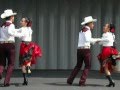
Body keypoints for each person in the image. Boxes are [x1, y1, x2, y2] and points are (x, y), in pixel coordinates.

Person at [67, 16, 101, 86]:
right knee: (88, 65)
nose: (93, 25)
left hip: (79, 49)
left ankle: (70, 80)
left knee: (78, 65)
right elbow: (88, 40)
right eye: (92, 23)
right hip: (86, 50)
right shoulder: (88, 30)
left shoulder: (81, 30)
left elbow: (86, 40)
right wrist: (97, 40)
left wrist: (94, 41)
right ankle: (82, 82)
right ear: (89, 23)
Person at [16, 17, 42, 85]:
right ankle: (28, 67)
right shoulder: (30, 29)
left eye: (22, 21)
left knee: (22, 63)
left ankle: (25, 80)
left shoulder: (22, 29)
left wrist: (14, 34)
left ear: (26, 23)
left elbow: (18, 33)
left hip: (24, 45)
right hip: (30, 45)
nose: (20, 22)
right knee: (28, 60)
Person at [0, 9, 17, 87]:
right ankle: (6, 82)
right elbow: (10, 33)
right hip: (10, 45)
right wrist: (17, 34)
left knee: (2, 62)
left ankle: (0, 73)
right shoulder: (11, 25)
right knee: (11, 63)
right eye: (13, 16)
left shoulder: (2, 25)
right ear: (11, 17)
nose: (14, 17)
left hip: (1, 44)